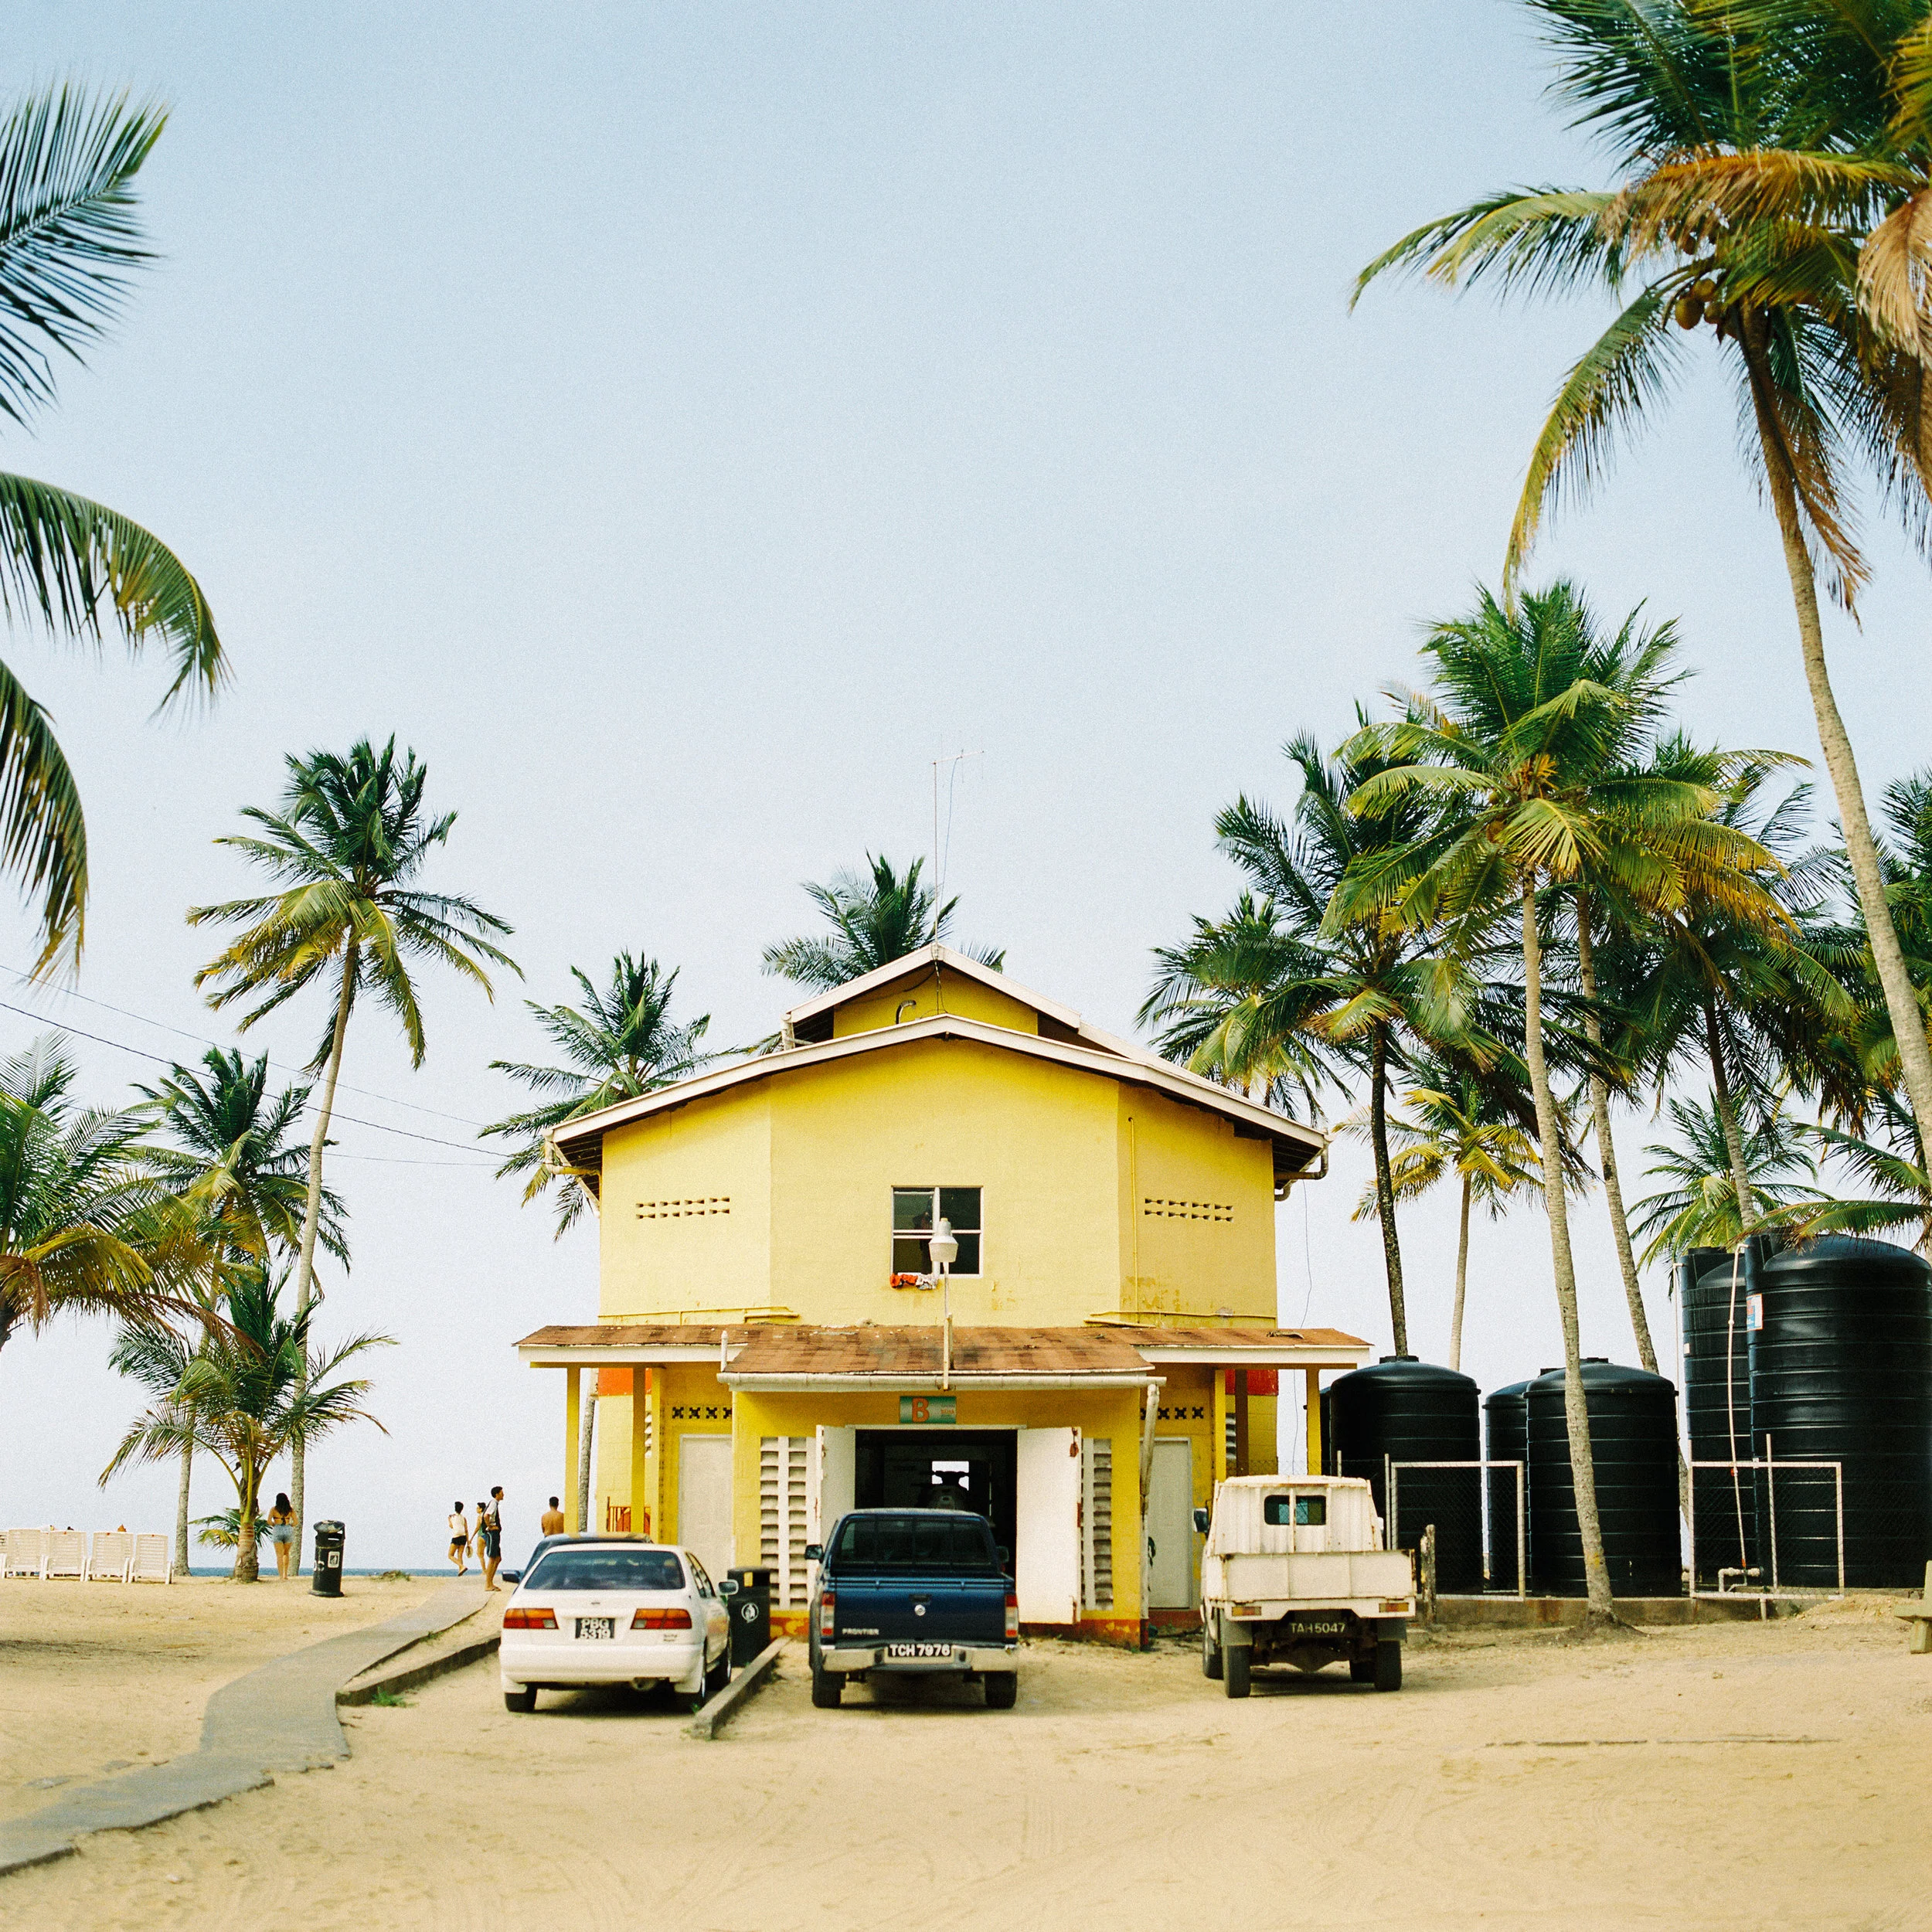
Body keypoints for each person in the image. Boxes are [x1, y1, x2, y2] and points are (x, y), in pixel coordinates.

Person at [264, 1493, 298, 1580]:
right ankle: (285, 1575)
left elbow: (268, 1521)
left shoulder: (274, 1509)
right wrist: (290, 1525)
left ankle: (280, 1576)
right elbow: (296, 1522)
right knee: (286, 1553)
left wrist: (274, 1525)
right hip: (288, 1529)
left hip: (278, 1529)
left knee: (279, 1555)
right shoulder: (290, 1510)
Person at [481, 1485, 505, 1592]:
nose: (503, 1494)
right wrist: (490, 1526)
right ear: (497, 1494)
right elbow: (486, 1516)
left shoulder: (495, 1503)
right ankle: (488, 1584)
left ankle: (490, 1582)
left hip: (495, 1533)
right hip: (492, 1533)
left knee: (498, 1558)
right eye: (501, 1492)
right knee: (492, 1558)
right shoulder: (494, 1503)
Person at [447, 1502, 470, 1576]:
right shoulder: (464, 1518)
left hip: (456, 1536)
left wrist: (449, 1520)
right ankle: (461, 1571)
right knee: (460, 1555)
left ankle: (462, 1566)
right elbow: (466, 1530)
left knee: (450, 1555)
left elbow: (451, 1526)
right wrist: (468, 1541)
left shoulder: (452, 1517)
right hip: (463, 1537)